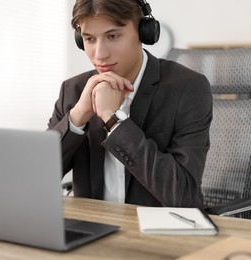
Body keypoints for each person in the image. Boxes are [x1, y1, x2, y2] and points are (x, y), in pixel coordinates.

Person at [48, 0, 212, 208]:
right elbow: (34, 179)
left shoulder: (188, 88)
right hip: (92, 228)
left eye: (113, 36)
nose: (100, 55)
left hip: (160, 232)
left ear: (144, 33)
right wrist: (78, 116)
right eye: (89, 39)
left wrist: (113, 120)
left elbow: (183, 194)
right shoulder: (74, 91)